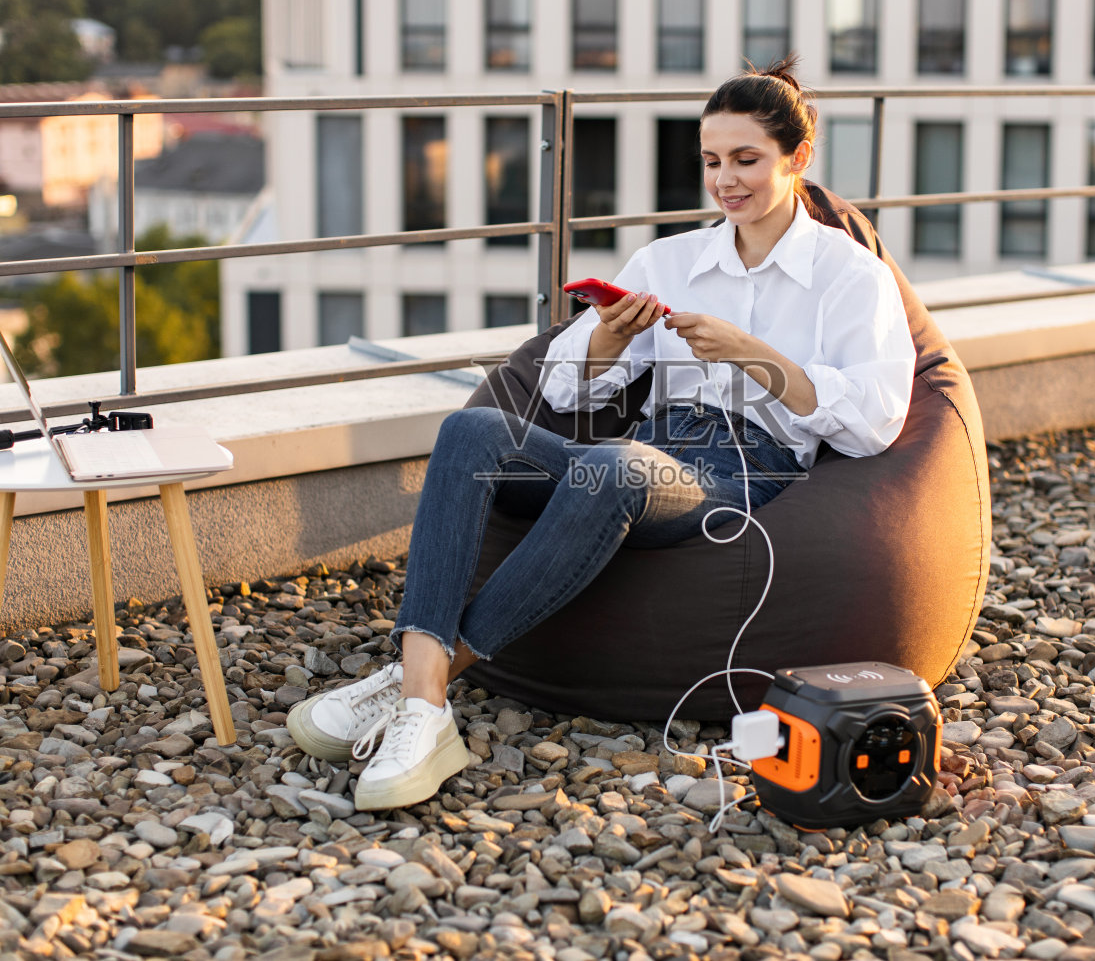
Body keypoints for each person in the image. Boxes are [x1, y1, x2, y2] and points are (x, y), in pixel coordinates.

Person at [286, 57, 916, 810]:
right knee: (472, 431)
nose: (726, 180)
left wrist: (752, 354)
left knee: (614, 466)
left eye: (747, 159)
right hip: (650, 444)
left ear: (798, 158)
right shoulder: (670, 259)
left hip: (738, 468)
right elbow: (561, 387)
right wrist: (608, 341)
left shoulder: (852, 276)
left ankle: (415, 681)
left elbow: (874, 421)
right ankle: (422, 701)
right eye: (712, 161)